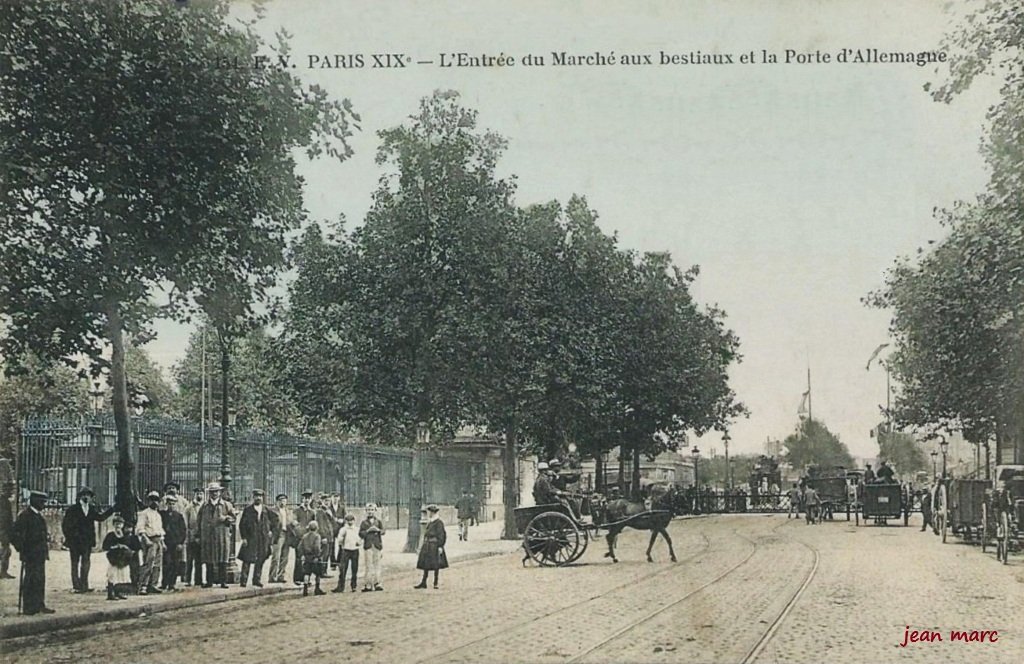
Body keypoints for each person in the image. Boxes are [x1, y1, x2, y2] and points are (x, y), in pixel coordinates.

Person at [60, 486, 114, 593]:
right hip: (75, 542)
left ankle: (84, 585)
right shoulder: (73, 509)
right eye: (84, 495)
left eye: (88, 495)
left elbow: (100, 518)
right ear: (80, 496)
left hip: (87, 541)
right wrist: (70, 537)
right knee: (75, 563)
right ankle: (76, 585)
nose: (86, 497)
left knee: (86, 562)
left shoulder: (91, 509)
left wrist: (111, 510)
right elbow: (65, 525)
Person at [11, 490, 55, 615]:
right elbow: (14, 535)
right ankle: (29, 607)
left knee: (40, 579)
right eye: (42, 502)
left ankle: (39, 604)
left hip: (39, 554)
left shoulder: (38, 516)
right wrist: (21, 549)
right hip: (30, 554)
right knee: (30, 579)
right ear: (35, 501)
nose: (44, 505)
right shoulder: (25, 516)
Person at [198, 482, 236, 589]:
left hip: (222, 536)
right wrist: (199, 535)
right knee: (208, 558)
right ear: (209, 493)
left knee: (222, 558)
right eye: (212, 492)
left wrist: (225, 519)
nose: (214, 493)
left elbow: (234, 518)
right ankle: (209, 581)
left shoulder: (226, 505)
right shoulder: (204, 506)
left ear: (219, 492)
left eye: (216, 491)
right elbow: (199, 520)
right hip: (208, 536)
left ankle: (223, 581)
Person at [239, 489, 274, 588]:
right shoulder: (248, 510)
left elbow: (276, 521)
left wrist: (271, 531)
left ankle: (256, 580)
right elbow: (242, 525)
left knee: (261, 559)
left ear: (263, 498)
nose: (258, 498)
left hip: (263, 539)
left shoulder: (266, 510)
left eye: (260, 496)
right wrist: (244, 537)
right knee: (247, 559)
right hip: (251, 538)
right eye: (256, 496)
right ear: (253, 497)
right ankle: (243, 580)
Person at [136, 490, 166, 595]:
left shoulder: (158, 515)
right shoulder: (144, 513)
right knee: (148, 563)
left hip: (158, 540)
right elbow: (140, 528)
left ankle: (153, 584)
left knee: (157, 564)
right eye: (152, 500)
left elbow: (160, 529)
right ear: (148, 501)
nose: (154, 502)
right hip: (150, 540)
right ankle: (143, 585)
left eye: (156, 500)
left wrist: (162, 543)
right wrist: (146, 539)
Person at [414, 504, 447, 590]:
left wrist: (440, 546)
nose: (429, 514)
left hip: (434, 545)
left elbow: (442, 535)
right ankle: (424, 582)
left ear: (434, 512)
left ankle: (435, 582)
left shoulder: (439, 523)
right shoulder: (430, 522)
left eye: (431, 512)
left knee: (436, 564)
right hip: (428, 545)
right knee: (426, 564)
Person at [159, 494, 187, 592]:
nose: (171, 505)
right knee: (166, 563)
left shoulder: (179, 516)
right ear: (166, 504)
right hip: (166, 543)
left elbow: (183, 530)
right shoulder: (162, 515)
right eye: (169, 504)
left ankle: (172, 584)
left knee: (175, 564)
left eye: (173, 504)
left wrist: (181, 543)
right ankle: (164, 583)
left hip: (176, 544)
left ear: (175, 504)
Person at [101, 514, 133, 601]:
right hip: (114, 557)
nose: (118, 525)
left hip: (123, 558)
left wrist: (125, 547)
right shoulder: (111, 535)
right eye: (116, 523)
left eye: (120, 524)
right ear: (113, 524)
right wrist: (115, 546)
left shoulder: (125, 535)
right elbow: (105, 546)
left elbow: (129, 545)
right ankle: (110, 593)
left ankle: (118, 592)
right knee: (112, 574)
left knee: (121, 575)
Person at [289, 490, 316, 586]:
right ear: (302, 499)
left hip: (309, 539)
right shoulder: (297, 510)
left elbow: (314, 524)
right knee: (299, 558)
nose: (306, 500)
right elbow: (293, 522)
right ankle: (297, 578)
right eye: (305, 498)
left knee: (309, 559)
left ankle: (306, 578)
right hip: (299, 538)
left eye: (308, 498)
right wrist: (300, 530)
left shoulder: (312, 512)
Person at [359, 503, 385, 592]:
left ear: (375, 511)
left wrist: (378, 530)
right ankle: (368, 584)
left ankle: (378, 583)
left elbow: (383, 531)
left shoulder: (378, 522)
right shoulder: (363, 522)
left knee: (377, 565)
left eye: (372, 510)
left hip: (377, 545)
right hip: (368, 546)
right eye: (368, 510)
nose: (370, 512)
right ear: (366, 511)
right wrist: (367, 531)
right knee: (368, 565)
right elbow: (360, 534)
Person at [332, 513, 360, 593]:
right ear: (346, 521)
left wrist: (358, 543)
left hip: (355, 550)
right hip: (346, 550)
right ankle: (341, 586)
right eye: (348, 521)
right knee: (343, 569)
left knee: (354, 569)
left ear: (354, 521)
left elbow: (360, 538)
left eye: (351, 520)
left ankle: (354, 586)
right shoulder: (343, 529)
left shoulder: (357, 529)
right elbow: (339, 540)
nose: (350, 522)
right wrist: (342, 542)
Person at [268, 492, 292, 583]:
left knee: (285, 557)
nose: (283, 503)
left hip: (287, 534)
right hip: (278, 535)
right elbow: (269, 523)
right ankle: (272, 577)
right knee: (276, 557)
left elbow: (291, 521)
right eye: (281, 501)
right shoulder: (273, 511)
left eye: (284, 501)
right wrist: (270, 531)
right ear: (277, 502)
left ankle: (281, 576)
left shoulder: (288, 511)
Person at [183, 487, 204, 586]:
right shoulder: (189, 507)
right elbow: (185, 524)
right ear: (194, 495)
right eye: (197, 494)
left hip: (202, 537)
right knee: (189, 560)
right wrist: (188, 537)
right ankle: (187, 580)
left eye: (201, 493)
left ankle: (198, 580)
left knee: (199, 560)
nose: (199, 496)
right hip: (191, 537)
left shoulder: (204, 506)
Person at [298, 520, 325, 596]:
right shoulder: (317, 536)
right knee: (318, 574)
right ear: (317, 528)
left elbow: (299, 547)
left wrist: (302, 555)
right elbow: (317, 547)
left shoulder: (304, 536)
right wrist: (317, 556)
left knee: (307, 573)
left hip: (307, 557)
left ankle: (305, 589)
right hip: (314, 557)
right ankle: (317, 589)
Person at [0, 481, 15, 579]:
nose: (11, 492)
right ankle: (3, 572)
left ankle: (3, 571)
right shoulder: (3, 501)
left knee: (6, 550)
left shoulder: (6, 501)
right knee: (6, 550)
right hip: (2, 529)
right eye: (10, 490)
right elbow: (4, 517)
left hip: (5, 529)